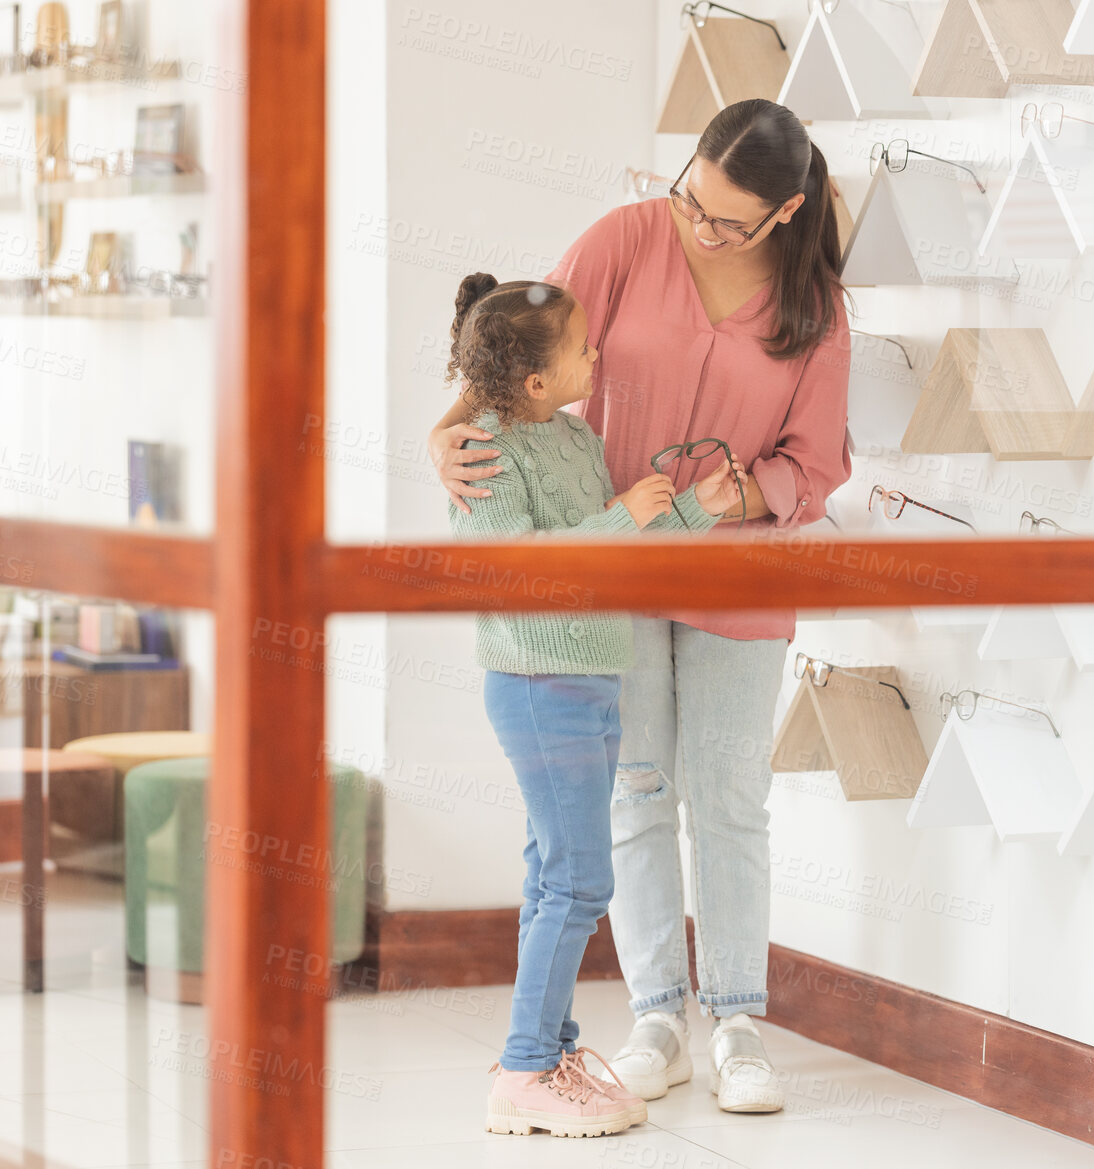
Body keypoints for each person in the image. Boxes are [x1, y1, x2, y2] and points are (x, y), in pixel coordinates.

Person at [432, 99, 851, 1114]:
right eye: (692, 202)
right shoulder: (626, 239)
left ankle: (737, 1019)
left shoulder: (818, 308)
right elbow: (513, 349)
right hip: (611, 568)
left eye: (727, 221)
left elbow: (818, 462)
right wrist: (446, 432)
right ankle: (658, 1012)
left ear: (786, 212)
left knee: (731, 798)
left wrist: (726, 502)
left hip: (735, 571)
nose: (699, 230)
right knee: (639, 790)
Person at [444, 272, 746, 1138]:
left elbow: (621, 548)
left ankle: (545, 1049)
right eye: (582, 348)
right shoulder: (485, 453)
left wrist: (697, 510)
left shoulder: (574, 438)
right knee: (581, 876)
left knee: (554, 873)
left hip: (594, 677)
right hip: (538, 685)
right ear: (534, 380)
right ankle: (528, 1067)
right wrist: (620, 517)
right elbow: (516, 567)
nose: (596, 354)